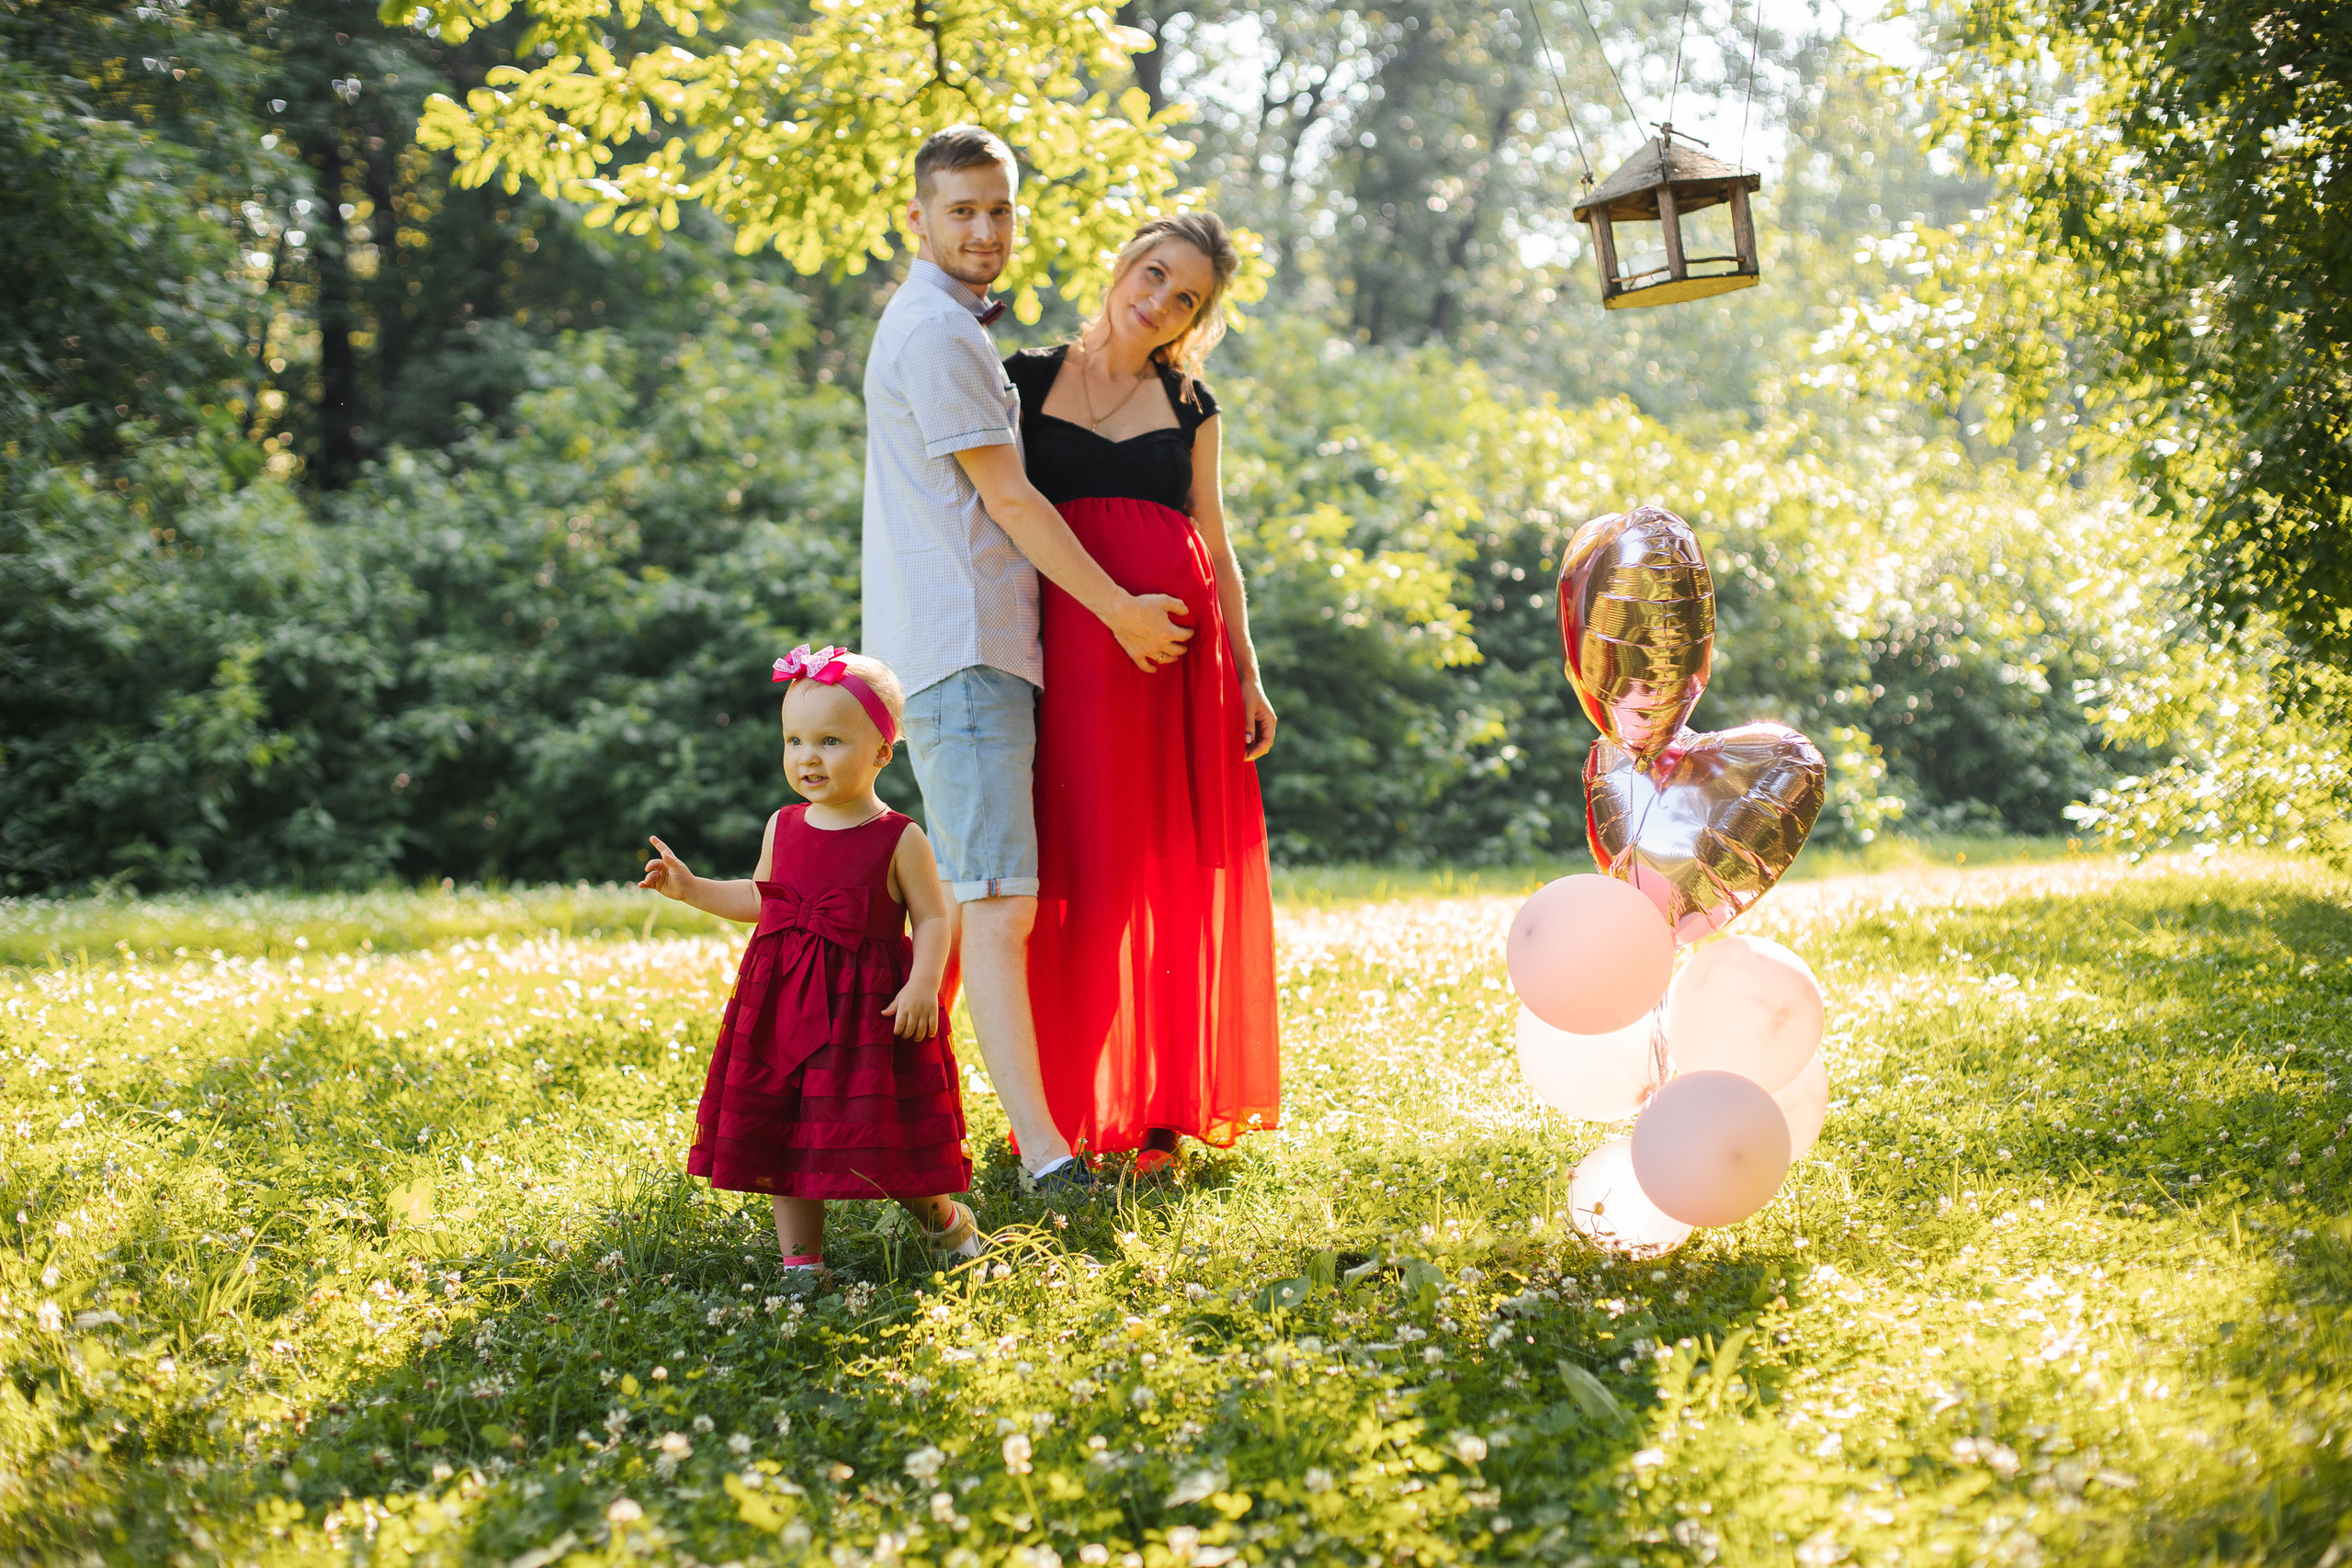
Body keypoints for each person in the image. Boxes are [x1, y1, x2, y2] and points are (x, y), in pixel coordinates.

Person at [862, 125, 1194, 1195]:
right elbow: (1010, 499)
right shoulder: (937, 336)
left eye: (998, 209)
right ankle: (1046, 1159)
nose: (984, 230)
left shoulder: (952, 326)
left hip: (982, 649)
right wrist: (1119, 612)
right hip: (962, 650)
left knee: (985, 899)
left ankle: (894, 1117)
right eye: (960, 210)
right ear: (917, 219)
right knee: (997, 906)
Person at [1004, 212, 1282, 1176]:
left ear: (1196, 319)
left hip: (1173, 665)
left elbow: (1216, 541)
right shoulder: (1024, 379)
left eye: (1186, 298)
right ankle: (1059, 1111)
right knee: (1071, 872)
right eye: (1154, 274)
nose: (1159, 301)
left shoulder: (1191, 404)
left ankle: (1154, 1107)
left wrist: (1246, 669)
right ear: (1123, 264)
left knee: (1155, 878)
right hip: (1064, 650)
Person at [638, 647, 985, 1270]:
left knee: (882, 1141)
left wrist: (923, 985)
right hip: (782, 1006)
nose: (808, 756)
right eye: (794, 740)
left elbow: (933, 918)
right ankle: (802, 1265)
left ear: (882, 752)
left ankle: (946, 1222)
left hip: (867, 1016)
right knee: (784, 1131)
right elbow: (761, 898)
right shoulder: (784, 825)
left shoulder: (899, 836)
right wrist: (691, 889)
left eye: (830, 740)